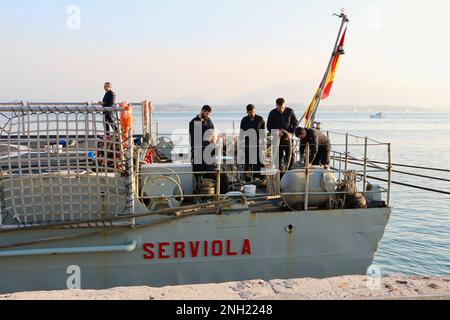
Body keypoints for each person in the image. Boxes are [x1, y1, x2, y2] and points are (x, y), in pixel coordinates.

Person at [267, 98, 298, 171]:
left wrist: (292, 133)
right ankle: (279, 174)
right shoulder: (272, 113)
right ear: (276, 105)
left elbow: (295, 123)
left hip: (288, 138)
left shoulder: (290, 111)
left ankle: (290, 172)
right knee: (278, 157)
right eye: (279, 108)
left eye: (282, 107)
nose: (281, 109)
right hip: (277, 139)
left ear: (285, 105)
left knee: (291, 156)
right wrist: (276, 132)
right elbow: (269, 126)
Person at [189, 105, 217, 179]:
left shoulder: (209, 121)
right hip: (197, 151)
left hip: (208, 151)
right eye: (206, 114)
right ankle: (197, 187)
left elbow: (213, 132)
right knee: (198, 171)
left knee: (209, 171)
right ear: (202, 111)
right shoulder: (193, 122)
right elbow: (195, 138)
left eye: (209, 114)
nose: (207, 116)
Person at [239, 104, 265, 181]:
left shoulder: (260, 119)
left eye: (253, 112)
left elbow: (262, 133)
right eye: (250, 113)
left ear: (255, 110)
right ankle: (247, 178)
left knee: (259, 161)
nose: (252, 114)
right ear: (247, 112)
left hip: (258, 142)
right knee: (247, 161)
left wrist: (262, 143)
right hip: (248, 142)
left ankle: (261, 178)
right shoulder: (244, 120)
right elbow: (241, 133)